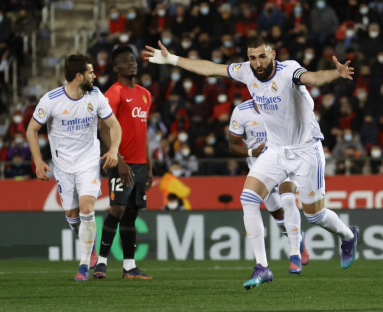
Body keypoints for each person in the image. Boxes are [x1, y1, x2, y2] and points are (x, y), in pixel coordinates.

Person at [145, 36, 359, 289]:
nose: (257, 63)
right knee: (248, 198)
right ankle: (263, 267)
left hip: (306, 150)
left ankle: (347, 235)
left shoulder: (288, 70)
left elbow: (313, 78)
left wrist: (337, 74)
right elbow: (210, 68)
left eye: (262, 56)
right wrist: (172, 59)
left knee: (315, 216)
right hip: (276, 150)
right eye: (252, 57)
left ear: (273, 54)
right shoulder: (246, 71)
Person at [27, 54, 122, 281]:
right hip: (62, 165)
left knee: (86, 208)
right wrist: (39, 161)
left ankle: (83, 265)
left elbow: (114, 125)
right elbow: (32, 130)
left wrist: (114, 150)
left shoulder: (96, 96)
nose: (94, 75)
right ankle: (91, 250)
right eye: (90, 72)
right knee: (72, 214)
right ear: (79, 76)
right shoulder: (51, 100)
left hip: (89, 160)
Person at [229, 99, 309, 274]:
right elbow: (233, 145)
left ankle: (294, 254)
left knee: (288, 199)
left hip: (286, 161)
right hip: (260, 170)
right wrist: (253, 152)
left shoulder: (284, 104)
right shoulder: (241, 111)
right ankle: (298, 237)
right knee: (279, 216)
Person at [93, 46, 153, 280]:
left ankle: (129, 267)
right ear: (116, 68)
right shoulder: (113, 93)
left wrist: (149, 166)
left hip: (139, 163)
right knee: (117, 209)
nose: (132, 63)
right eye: (126, 61)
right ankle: (101, 263)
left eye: (134, 60)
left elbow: (144, 132)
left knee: (131, 214)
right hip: (122, 162)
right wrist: (117, 158)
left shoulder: (145, 94)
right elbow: (103, 128)